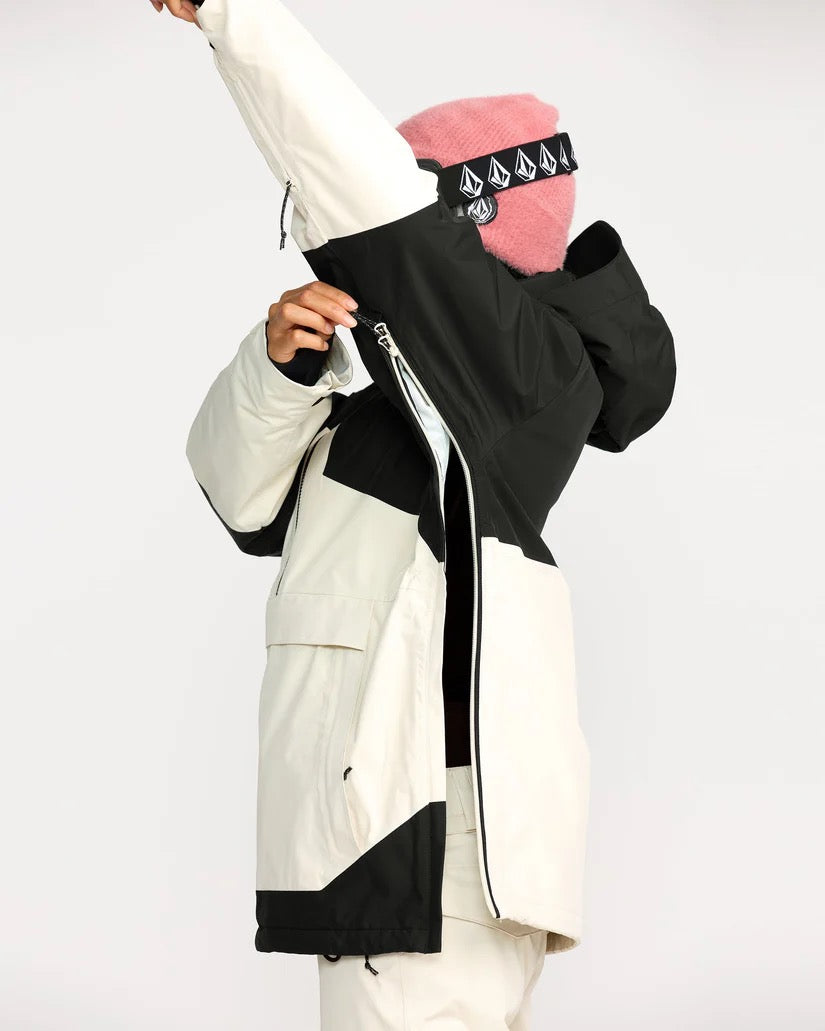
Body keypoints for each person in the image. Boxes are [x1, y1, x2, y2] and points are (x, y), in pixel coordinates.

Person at [152, 0, 676, 1027]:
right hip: (413, 840)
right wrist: (280, 366)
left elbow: (354, 178)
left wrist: (230, 15)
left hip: (424, 839)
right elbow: (241, 499)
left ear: (465, 224)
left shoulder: (521, 365)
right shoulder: (421, 409)